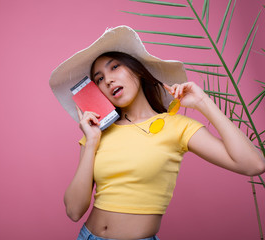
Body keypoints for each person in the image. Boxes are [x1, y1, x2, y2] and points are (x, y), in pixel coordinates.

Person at [49, 26, 265, 240]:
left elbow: (254, 165)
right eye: (99, 79)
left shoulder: (177, 126)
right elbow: (74, 211)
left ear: (137, 70)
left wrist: (202, 102)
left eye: (115, 67)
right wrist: (92, 141)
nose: (108, 80)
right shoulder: (95, 133)